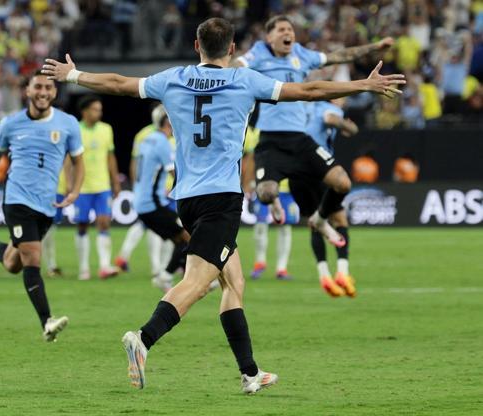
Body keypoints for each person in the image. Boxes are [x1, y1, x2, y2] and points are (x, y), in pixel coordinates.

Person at [43, 17, 403, 392]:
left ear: (197, 45)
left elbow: (117, 84)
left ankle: (250, 373)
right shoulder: (244, 80)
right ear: (232, 49)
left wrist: (73, 75)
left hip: (187, 197)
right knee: (197, 282)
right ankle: (143, 340)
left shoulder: (174, 77)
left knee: (235, 281)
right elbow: (310, 90)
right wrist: (364, 84)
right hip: (221, 198)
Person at [233, 15, 394, 247]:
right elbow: (236, 66)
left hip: (300, 139)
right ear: (269, 37)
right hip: (271, 140)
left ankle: (319, 219)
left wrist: (375, 47)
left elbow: (340, 56)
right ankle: (275, 202)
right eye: (281, 30)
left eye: (290, 29)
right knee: (266, 193)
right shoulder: (258, 53)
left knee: (343, 183)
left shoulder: (301, 54)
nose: (287, 33)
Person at [0, 71, 85, 342]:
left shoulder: (68, 124)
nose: (43, 92)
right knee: (32, 257)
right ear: (27, 90)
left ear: (54, 92)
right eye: (37, 86)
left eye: (48, 88)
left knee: (13, 263)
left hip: (47, 204)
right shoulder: (10, 124)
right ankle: (47, 322)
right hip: (17, 199)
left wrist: (75, 190)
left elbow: (78, 160)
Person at [295, 98, 359, 297]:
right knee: (339, 219)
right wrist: (348, 126)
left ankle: (324, 275)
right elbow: (330, 119)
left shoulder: (303, 106)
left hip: (297, 169)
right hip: (319, 167)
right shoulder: (330, 108)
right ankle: (342, 273)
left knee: (315, 222)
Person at [132, 104, 191, 293]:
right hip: (152, 203)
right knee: (187, 236)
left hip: (142, 202)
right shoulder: (162, 143)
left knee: (179, 239)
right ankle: (165, 276)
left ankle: (187, 275)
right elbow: (174, 173)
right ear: (167, 121)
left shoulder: (148, 139)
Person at [115, 120, 172, 278]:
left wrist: (137, 185)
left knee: (144, 224)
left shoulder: (145, 135)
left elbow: (135, 162)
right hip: (163, 191)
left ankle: (124, 256)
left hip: (150, 190)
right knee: (164, 228)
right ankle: (162, 267)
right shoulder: (164, 137)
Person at [73, 95, 121, 280]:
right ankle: (84, 268)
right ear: (85, 111)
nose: (98, 113)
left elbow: (111, 157)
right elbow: (70, 159)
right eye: (95, 109)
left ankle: (104, 266)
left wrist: (115, 181)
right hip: (82, 186)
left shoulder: (106, 129)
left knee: (103, 222)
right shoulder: (75, 129)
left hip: (102, 186)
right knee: (82, 225)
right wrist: (70, 183)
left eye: (100, 109)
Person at [242, 125, 299, 281]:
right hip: (264, 185)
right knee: (261, 224)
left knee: (285, 226)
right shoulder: (258, 132)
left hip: (286, 187)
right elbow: (250, 159)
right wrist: (248, 182)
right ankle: (260, 262)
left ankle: (281, 268)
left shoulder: (292, 131)